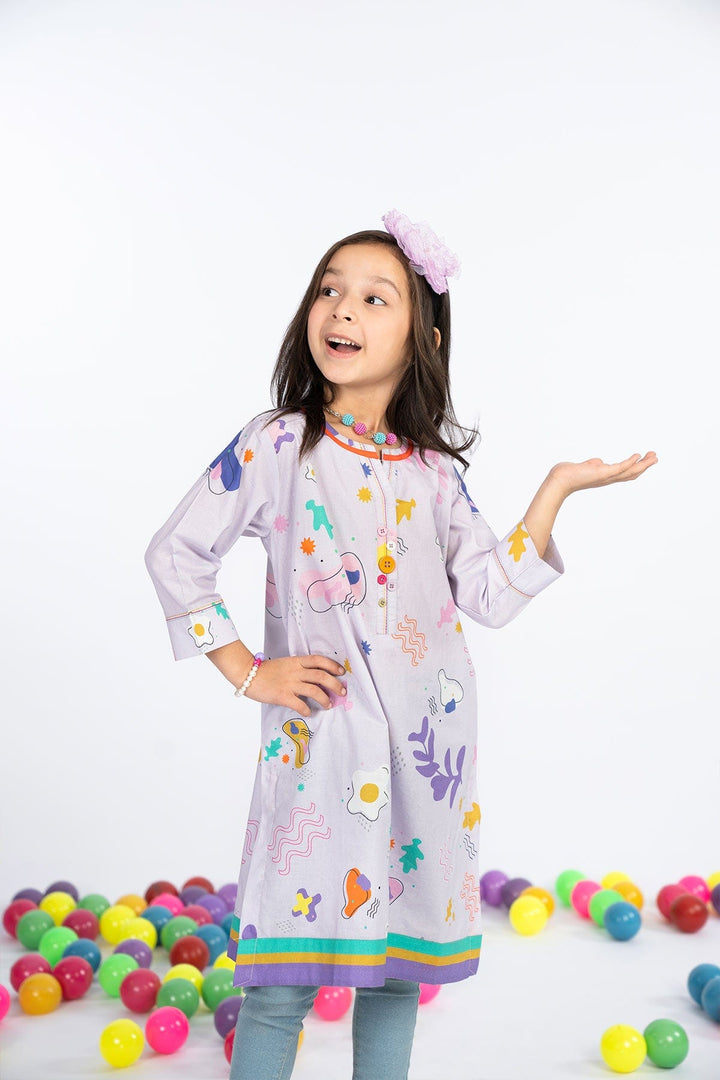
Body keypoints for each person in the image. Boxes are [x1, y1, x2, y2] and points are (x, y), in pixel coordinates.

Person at [144, 209, 657, 1080]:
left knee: (395, 980)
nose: (342, 309)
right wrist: (247, 671)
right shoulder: (280, 443)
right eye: (329, 290)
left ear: (425, 337)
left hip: (430, 766)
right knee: (278, 985)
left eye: (374, 297)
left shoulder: (436, 473)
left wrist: (556, 489)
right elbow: (176, 552)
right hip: (320, 755)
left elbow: (492, 595)